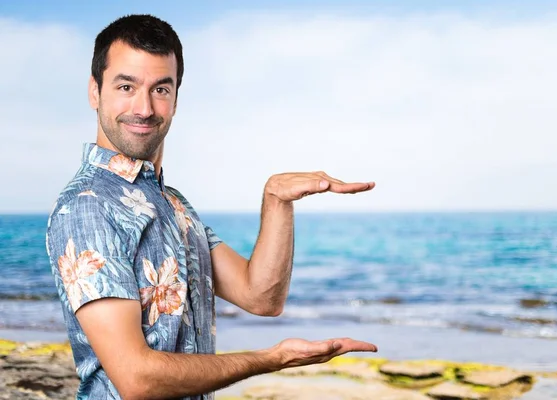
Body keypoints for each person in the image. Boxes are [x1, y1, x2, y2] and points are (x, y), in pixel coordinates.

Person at [46, 14, 377, 400]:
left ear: (175, 99)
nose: (144, 108)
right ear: (94, 91)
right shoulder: (89, 207)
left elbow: (261, 296)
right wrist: (270, 359)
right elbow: (136, 378)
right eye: (126, 86)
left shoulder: (174, 205)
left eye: (161, 89)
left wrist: (276, 201)